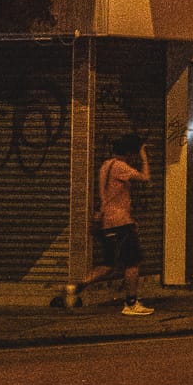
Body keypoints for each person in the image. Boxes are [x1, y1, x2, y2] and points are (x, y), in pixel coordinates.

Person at [64, 133, 154, 315]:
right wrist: (144, 158)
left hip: (107, 222)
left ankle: (76, 286)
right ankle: (131, 303)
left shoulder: (106, 165)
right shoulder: (121, 167)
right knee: (133, 263)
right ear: (129, 153)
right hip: (121, 223)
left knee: (109, 264)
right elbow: (145, 178)